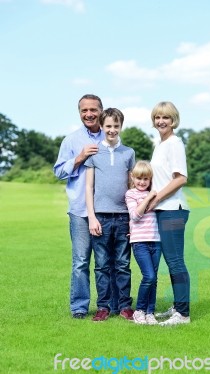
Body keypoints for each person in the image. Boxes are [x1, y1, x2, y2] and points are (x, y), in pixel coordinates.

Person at [53, 94, 118, 319]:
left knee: (107, 261)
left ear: (101, 110)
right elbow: (58, 172)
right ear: (79, 113)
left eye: (93, 110)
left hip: (106, 211)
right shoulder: (71, 141)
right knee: (81, 261)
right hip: (80, 211)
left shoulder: (110, 136)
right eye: (84, 111)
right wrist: (79, 158)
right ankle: (80, 307)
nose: (89, 114)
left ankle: (109, 305)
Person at [85, 107, 135, 322]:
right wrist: (92, 217)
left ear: (121, 126)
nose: (112, 130)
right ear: (102, 127)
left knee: (123, 265)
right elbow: (88, 188)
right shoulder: (94, 152)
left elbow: (133, 187)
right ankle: (103, 307)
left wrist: (133, 219)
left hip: (123, 217)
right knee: (102, 265)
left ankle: (125, 306)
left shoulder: (129, 153)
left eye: (116, 126)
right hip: (101, 217)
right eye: (108, 126)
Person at [147, 101, 191, 326]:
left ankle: (182, 314)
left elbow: (180, 178)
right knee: (171, 260)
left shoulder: (174, 143)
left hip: (173, 210)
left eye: (166, 117)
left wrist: (155, 199)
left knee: (175, 261)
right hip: (163, 209)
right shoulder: (161, 144)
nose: (161, 121)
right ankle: (178, 306)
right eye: (157, 117)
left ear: (173, 120)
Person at [125, 161, 161, 325]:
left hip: (156, 240)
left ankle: (150, 312)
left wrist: (152, 195)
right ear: (133, 178)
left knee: (154, 279)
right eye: (139, 178)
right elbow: (135, 215)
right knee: (149, 276)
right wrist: (148, 197)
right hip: (139, 242)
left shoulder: (154, 193)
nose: (142, 182)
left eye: (146, 179)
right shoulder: (131, 194)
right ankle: (139, 310)